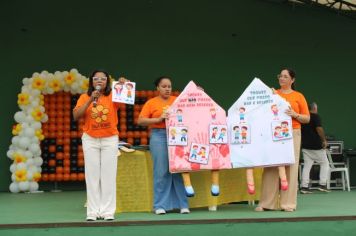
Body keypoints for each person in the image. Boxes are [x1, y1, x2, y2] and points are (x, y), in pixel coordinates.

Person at [73, 70, 126, 221]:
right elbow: (76, 116)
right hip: (90, 139)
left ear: (107, 82)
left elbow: (126, 98)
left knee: (108, 176)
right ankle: (92, 212)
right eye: (96, 79)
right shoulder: (85, 96)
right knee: (92, 176)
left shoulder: (113, 95)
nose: (100, 81)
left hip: (110, 138)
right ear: (91, 81)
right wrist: (90, 100)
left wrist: (123, 84)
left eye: (103, 79)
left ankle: (108, 212)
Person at [255, 68, 310, 212]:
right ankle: (267, 204)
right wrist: (271, 96)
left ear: (292, 80)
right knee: (271, 166)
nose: (282, 78)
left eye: (285, 76)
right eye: (280, 76)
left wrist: (294, 114)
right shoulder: (274, 94)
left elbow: (307, 118)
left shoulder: (299, 96)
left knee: (290, 167)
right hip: (273, 132)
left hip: (293, 132)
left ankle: (288, 204)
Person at [137, 76, 189, 215]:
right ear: (158, 88)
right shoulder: (151, 103)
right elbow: (140, 121)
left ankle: (183, 205)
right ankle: (159, 205)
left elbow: (191, 109)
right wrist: (159, 119)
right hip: (159, 135)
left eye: (169, 86)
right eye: (164, 86)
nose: (167, 89)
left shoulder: (177, 100)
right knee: (161, 171)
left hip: (178, 134)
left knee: (179, 169)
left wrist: (198, 93)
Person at [300, 102, 330, 194]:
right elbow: (319, 129)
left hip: (305, 146)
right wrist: (324, 140)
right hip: (316, 146)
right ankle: (322, 184)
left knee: (307, 166)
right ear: (314, 108)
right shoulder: (315, 116)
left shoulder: (303, 118)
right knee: (325, 163)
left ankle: (304, 187)